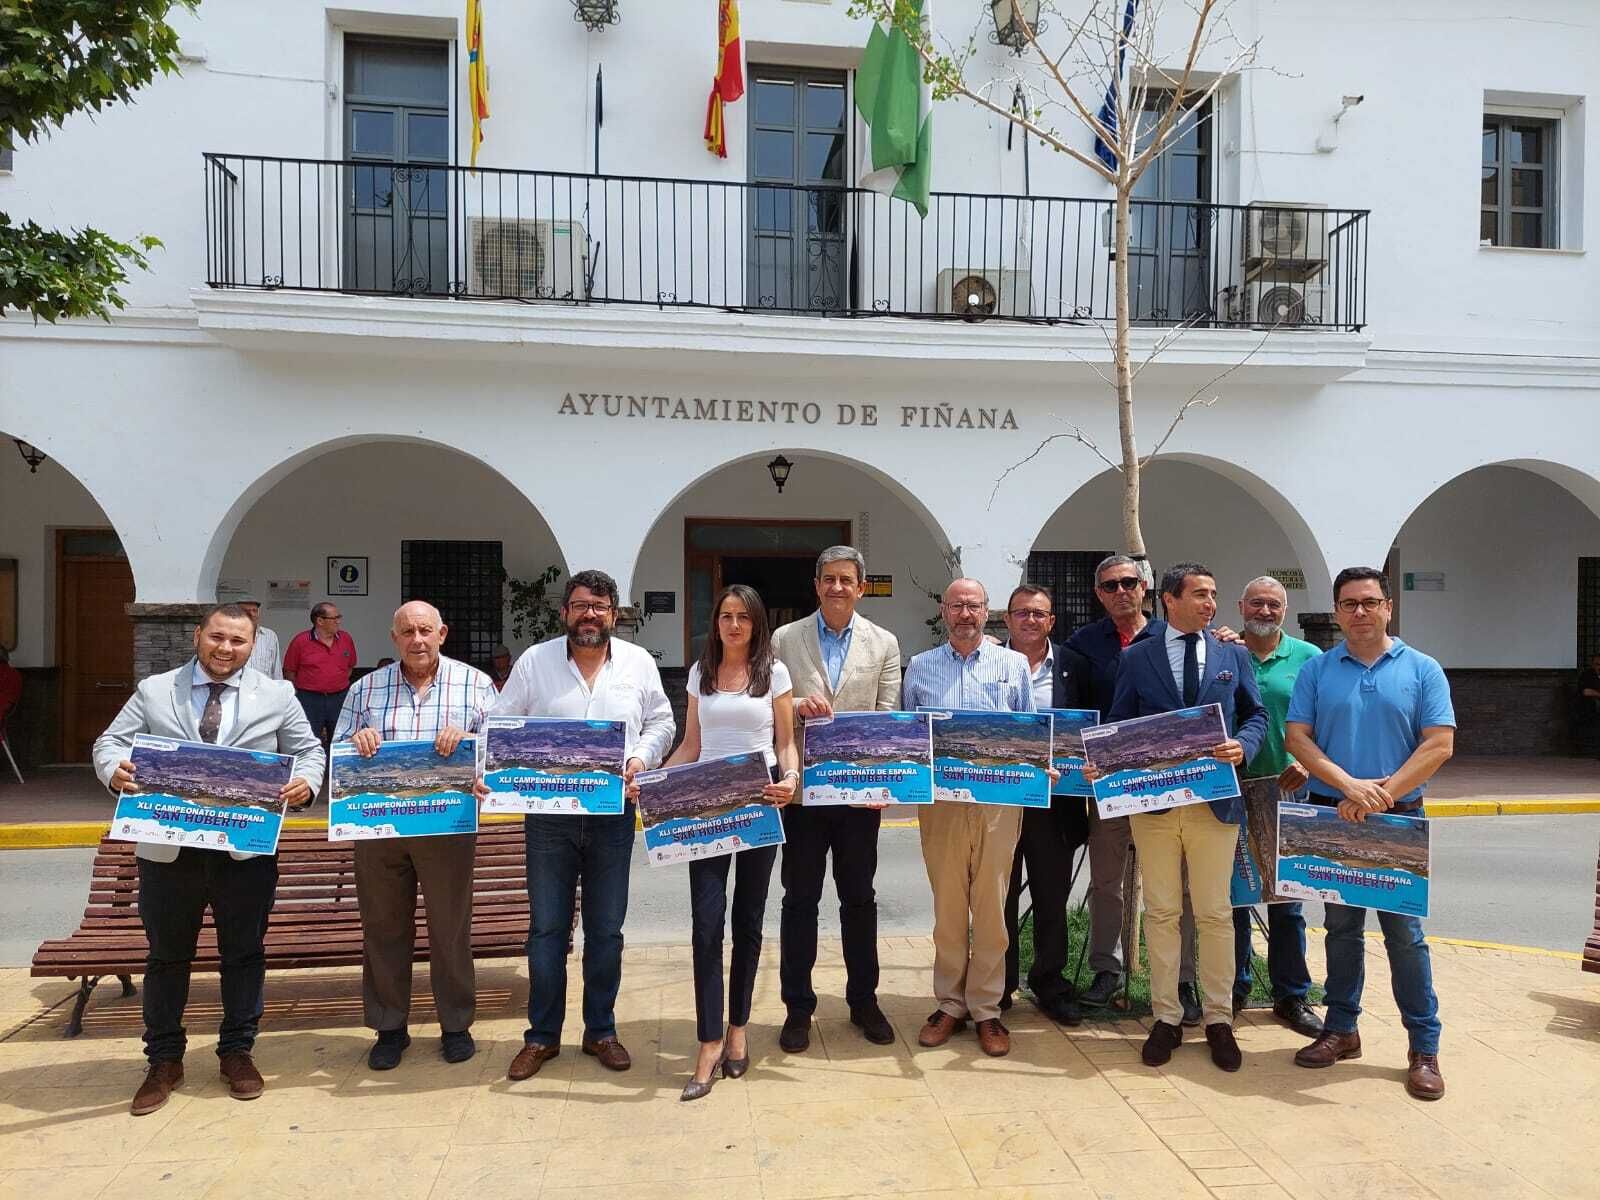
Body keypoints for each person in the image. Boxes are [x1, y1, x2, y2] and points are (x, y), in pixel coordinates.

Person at [91, 603, 324, 1115]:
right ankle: (164, 1060)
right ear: (198, 635)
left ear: (253, 645)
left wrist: (306, 783)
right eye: (217, 637)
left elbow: (309, 751)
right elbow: (109, 742)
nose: (225, 649)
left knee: (243, 954)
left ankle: (237, 1052)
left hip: (243, 850)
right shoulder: (156, 690)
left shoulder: (278, 694)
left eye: (238, 642)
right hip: (169, 850)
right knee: (167, 956)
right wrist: (114, 772)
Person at [491, 569, 675, 1081]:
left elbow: (663, 720)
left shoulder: (637, 663)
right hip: (548, 819)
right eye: (579, 605)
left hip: (614, 816)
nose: (588, 614)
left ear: (614, 615)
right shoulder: (535, 662)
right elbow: (502, 723)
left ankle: (601, 1031)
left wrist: (641, 758)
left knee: (606, 930)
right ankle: (541, 1037)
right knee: (547, 929)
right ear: (565, 612)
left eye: (598, 606)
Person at [1285, 566, 1455, 1100]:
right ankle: (1341, 1029)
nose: (1359, 611)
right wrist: (1349, 787)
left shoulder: (1423, 669)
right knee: (1339, 928)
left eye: (1369, 602)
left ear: (1388, 607)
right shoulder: (1318, 670)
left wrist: (1381, 793)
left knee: (1405, 935)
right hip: (1335, 814)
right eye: (1349, 604)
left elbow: (1438, 744)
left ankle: (1423, 1046)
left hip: (1397, 818)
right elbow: (1298, 738)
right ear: (1336, 612)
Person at [1103, 563, 1265, 1073]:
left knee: (1216, 913)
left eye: (1213, 594)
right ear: (1169, 600)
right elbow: (1119, 723)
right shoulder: (1137, 658)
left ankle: (1218, 1019)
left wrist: (1244, 744)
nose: (1209, 603)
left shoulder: (1231, 653)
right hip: (1154, 807)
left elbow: (1256, 714)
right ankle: (1166, 1016)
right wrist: (1106, 761)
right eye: (1199, 594)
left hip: (1215, 804)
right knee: (1163, 911)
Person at [334, 601, 496, 1071]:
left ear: (443, 633)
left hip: (446, 825)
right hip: (380, 827)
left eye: (426, 630)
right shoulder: (365, 689)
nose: (417, 640)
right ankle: (389, 1027)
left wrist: (468, 744)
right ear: (394, 637)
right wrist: (356, 741)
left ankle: (456, 1024)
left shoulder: (476, 685)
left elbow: (499, 746)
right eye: (407, 632)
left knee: (450, 929)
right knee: (383, 927)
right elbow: (338, 746)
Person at [661, 585, 798, 1100]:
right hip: (708, 807)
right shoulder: (701, 673)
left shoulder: (775, 673)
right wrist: (655, 780)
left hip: (760, 803)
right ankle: (708, 1040)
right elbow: (692, 745)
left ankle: (739, 1029)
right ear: (715, 622)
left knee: (748, 923)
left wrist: (792, 778)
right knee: (705, 925)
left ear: (757, 624)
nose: (733, 625)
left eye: (743, 617)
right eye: (725, 616)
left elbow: (784, 741)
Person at [770, 545, 902, 1054]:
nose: (837, 587)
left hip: (858, 796)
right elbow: (771, 703)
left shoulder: (884, 642)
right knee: (799, 901)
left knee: (859, 899)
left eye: (847, 579)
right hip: (802, 793)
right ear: (817, 583)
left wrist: (884, 783)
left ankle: (863, 1000)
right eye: (829, 578)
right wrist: (799, 705)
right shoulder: (785, 638)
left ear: (860, 586)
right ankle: (797, 1008)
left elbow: (887, 715)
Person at [901, 578, 1035, 1058]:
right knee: (949, 907)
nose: (964, 614)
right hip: (941, 805)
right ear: (944, 610)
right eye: (956, 605)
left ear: (986, 611)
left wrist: (1042, 764)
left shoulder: (1014, 665)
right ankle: (950, 1003)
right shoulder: (920, 667)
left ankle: (987, 1007)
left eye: (973, 606)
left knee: (993, 906)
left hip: (999, 804)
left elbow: (1029, 732)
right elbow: (908, 736)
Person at [1065, 554, 1201, 1018]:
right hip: (1111, 782)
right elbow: (1076, 712)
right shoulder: (1082, 645)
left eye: (1128, 582)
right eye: (1109, 586)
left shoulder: (1175, 637)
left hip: (1170, 780)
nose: (1120, 591)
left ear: (1144, 587)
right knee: (1106, 880)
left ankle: (1183, 979)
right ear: (1098, 594)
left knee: (1178, 884)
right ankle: (1108, 969)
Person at [1230, 577, 1323, 1037]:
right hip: (1232, 788)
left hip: (1289, 790)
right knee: (1234, 897)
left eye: (1274, 604)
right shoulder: (1225, 652)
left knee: (1288, 901)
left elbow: (1327, 720)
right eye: (1257, 603)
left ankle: (1292, 995)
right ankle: (1234, 988)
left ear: (1285, 611)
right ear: (1241, 606)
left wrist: (1309, 764)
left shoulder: (1309, 659)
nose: (1265, 611)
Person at [999, 584, 1094, 1026]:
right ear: (1008, 619)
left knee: (1052, 898)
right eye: (1022, 613)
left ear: (1051, 621)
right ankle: (998, 986)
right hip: (999, 801)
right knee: (996, 897)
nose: (1030, 621)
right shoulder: (989, 661)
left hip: (1056, 805)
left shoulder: (1076, 666)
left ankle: (1050, 983)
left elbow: (1096, 726)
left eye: (1039, 614)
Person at [282, 602, 357, 748]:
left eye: (339, 617)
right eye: (334, 618)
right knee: (309, 740)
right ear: (320, 621)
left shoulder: (346, 638)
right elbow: (289, 671)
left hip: (340, 698)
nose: (338, 621)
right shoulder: (301, 641)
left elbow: (350, 667)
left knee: (341, 740)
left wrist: (335, 683)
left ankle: (334, 771)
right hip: (310, 699)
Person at [237, 598, 281, 679]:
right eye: (246, 611)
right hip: (237, 688)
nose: (251, 614)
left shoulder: (270, 636)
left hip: (263, 689)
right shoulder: (229, 635)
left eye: (254, 610)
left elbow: (276, 670)